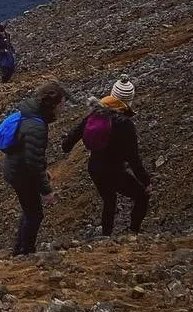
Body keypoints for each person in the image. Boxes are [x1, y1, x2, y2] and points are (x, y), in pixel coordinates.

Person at [61, 76, 151, 238]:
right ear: (129, 100)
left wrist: (66, 145)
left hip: (94, 168)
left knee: (109, 201)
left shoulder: (95, 114)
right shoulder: (125, 124)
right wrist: (145, 181)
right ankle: (133, 234)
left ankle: (105, 237)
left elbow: (69, 142)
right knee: (142, 197)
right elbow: (133, 158)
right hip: (114, 171)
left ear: (112, 94)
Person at [0, 80, 67, 256]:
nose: (63, 108)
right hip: (21, 173)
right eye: (62, 104)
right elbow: (33, 161)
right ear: (52, 104)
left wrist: (43, 169)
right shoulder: (36, 125)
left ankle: (19, 249)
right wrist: (47, 191)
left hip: (16, 168)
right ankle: (26, 252)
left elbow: (32, 153)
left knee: (29, 210)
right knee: (35, 214)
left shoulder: (32, 115)